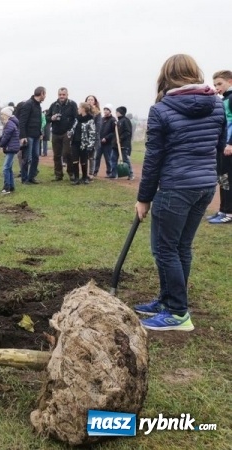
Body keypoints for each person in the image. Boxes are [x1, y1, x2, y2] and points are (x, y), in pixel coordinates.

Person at [133, 54, 226, 331]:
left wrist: (144, 198)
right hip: (205, 186)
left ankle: (177, 313)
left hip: (176, 188)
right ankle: (168, 300)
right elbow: (219, 145)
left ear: (166, 76)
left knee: (165, 249)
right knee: (180, 247)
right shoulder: (217, 104)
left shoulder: (161, 109)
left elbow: (153, 159)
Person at [208, 70, 232, 224]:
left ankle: (229, 212)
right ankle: (223, 210)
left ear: (230, 81)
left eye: (220, 84)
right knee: (223, 179)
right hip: (222, 146)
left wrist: (230, 143)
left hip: (229, 147)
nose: (217, 87)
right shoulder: (223, 99)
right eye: (215, 84)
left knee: (228, 179)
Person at [46, 88, 78, 181]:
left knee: (68, 153)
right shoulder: (53, 105)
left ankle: (71, 173)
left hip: (67, 132)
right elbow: (47, 117)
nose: (62, 96)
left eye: (63, 94)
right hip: (55, 132)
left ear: (67, 95)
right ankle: (58, 174)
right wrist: (52, 118)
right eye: (60, 94)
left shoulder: (72, 104)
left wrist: (71, 130)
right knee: (56, 155)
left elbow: (76, 118)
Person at [17, 86, 46, 184]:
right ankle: (24, 179)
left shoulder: (38, 106)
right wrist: (22, 136)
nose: (45, 96)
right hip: (28, 135)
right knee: (26, 158)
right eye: (45, 94)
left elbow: (38, 121)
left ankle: (31, 177)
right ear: (41, 93)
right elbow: (22, 121)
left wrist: (40, 133)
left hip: (36, 135)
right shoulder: (28, 104)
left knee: (36, 157)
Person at [67, 102, 96, 185]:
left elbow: (92, 133)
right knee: (75, 160)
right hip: (75, 142)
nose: (78, 109)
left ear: (83, 109)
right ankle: (76, 178)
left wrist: (90, 145)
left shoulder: (90, 120)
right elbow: (73, 128)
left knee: (83, 161)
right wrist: (69, 133)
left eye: (79, 108)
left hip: (84, 144)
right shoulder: (77, 119)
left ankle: (84, 177)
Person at [0, 106, 20, 193]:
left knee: (5, 168)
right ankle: (11, 186)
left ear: (6, 115)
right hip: (11, 148)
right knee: (9, 168)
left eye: (2, 114)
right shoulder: (10, 124)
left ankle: (6, 188)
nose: (1, 116)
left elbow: (6, 137)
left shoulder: (9, 124)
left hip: (11, 148)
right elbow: (4, 135)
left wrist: (0, 144)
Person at [111, 106, 134, 180]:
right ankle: (114, 174)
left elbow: (127, 132)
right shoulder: (118, 121)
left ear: (120, 112)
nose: (116, 113)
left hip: (123, 144)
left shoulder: (125, 121)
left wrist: (120, 139)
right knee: (113, 159)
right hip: (115, 144)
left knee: (125, 160)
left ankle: (130, 174)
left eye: (117, 112)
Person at [96, 105, 116, 178]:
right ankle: (95, 171)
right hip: (100, 142)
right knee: (97, 157)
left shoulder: (113, 120)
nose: (105, 111)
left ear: (110, 111)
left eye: (107, 110)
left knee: (108, 159)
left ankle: (109, 172)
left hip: (108, 143)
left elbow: (114, 132)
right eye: (104, 110)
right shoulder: (102, 119)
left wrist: (106, 138)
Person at [85, 95, 102, 178]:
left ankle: (91, 173)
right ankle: (84, 173)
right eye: (88, 99)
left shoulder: (97, 113)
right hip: (84, 136)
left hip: (93, 137)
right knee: (84, 156)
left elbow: (98, 126)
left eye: (92, 100)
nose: (90, 101)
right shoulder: (83, 111)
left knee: (92, 157)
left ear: (95, 102)